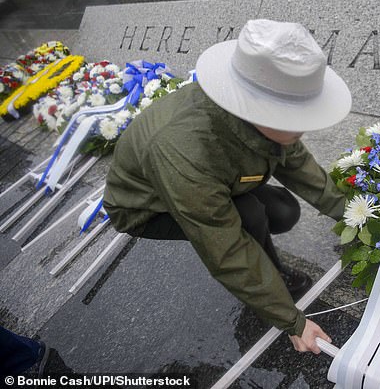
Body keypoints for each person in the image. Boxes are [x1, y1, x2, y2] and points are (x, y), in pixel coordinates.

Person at [103, 19, 351, 354]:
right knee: (249, 215)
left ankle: (267, 274)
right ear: (258, 109)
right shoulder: (183, 148)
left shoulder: (264, 114)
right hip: (146, 205)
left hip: (212, 179)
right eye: (295, 117)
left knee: (282, 210)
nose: (304, 128)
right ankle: (272, 280)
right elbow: (226, 249)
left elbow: (297, 164)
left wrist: (355, 215)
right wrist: (290, 319)